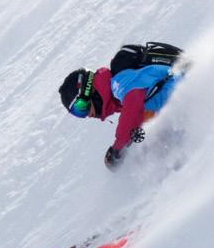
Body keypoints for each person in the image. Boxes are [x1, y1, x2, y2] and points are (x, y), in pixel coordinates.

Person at [58, 42, 185, 170]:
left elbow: (132, 108)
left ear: (88, 90)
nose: (87, 115)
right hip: (178, 100)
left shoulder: (119, 81)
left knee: (143, 140)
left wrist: (117, 149)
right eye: (77, 113)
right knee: (143, 142)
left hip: (183, 87)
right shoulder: (119, 96)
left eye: (81, 107)